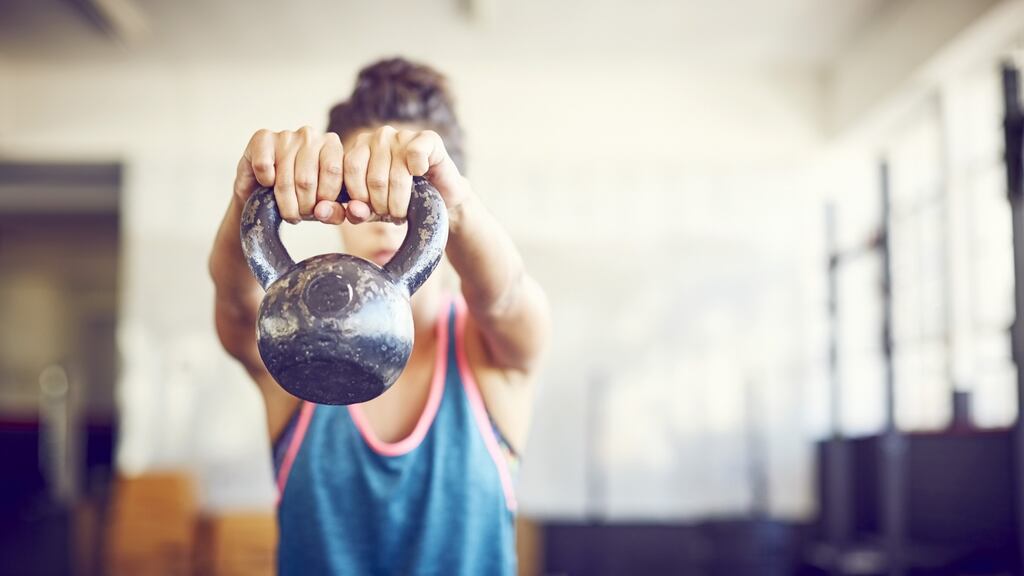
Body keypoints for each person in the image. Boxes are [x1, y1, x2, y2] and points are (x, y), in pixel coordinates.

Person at [208, 57, 550, 575]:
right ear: (333, 202)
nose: (388, 219)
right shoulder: (293, 349)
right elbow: (237, 303)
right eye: (363, 195)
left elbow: (506, 297)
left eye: (409, 195)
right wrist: (248, 196)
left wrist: (453, 204)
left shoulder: (491, 355)